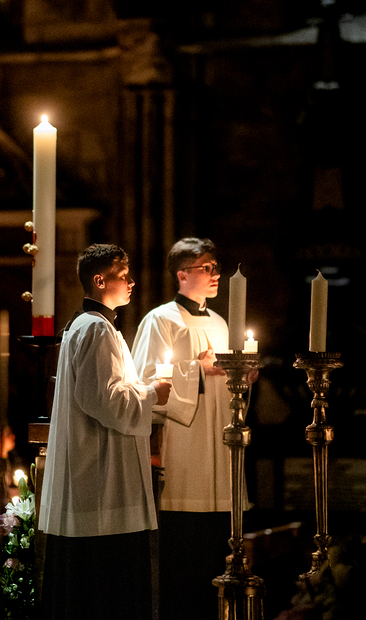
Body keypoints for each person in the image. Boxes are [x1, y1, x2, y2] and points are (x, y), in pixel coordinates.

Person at [38, 243, 171, 620]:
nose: (131, 282)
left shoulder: (85, 326)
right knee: (107, 591)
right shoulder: (96, 328)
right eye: (122, 275)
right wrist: (152, 393)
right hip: (102, 484)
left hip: (94, 478)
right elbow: (103, 400)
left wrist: (140, 391)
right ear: (99, 280)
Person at [131, 237, 257, 620]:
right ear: (182, 274)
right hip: (183, 457)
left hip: (220, 451)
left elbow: (230, 393)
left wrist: (243, 379)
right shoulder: (160, 320)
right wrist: (197, 370)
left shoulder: (221, 323)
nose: (215, 274)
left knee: (220, 553)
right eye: (207, 268)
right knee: (185, 566)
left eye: (216, 267)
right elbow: (145, 383)